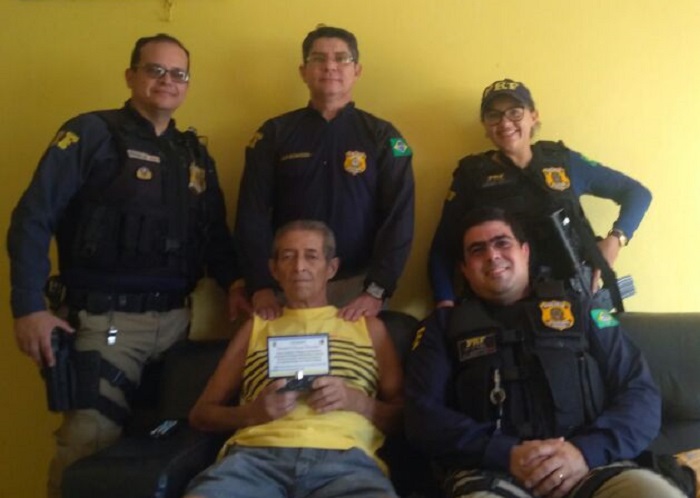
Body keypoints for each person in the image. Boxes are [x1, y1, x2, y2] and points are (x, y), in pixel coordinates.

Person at [7, 34, 240, 497]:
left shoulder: (192, 154)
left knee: (161, 450)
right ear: (131, 76)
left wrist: (237, 284)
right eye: (155, 70)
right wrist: (28, 306)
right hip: (104, 322)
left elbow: (215, 236)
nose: (167, 81)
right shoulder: (92, 134)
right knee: (88, 449)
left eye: (179, 74)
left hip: (177, 324)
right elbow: (32, 218)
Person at [405, 207, 685, 498]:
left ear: (525, 252)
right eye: (477, 250)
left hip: (592, 466)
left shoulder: (582, 309)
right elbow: (421, 416)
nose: (492, 255)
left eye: (502, 243)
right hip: (490, 472)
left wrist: (585, 451)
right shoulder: (442, 327)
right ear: (464, 269)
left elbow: (640, 394)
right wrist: (504, 453)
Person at [185, 220, 403, 498]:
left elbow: (405, 417)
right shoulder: (256, 327)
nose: (299, 267)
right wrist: (252, 412)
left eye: (311, 256)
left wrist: (356, 401)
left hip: (346, 463)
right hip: (255, 461)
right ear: (274, 269)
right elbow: (201, 414)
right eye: (288, 257)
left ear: (331, 268)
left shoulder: (368, 328)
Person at [235, 25, 415, 322]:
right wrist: (260, 285)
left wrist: (376, 290)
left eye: (341, 58)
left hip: (358, 290)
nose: (330, 66)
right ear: (303, 71)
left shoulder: (383, 136)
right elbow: (251, 214)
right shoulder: (274, 133)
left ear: (357, 70)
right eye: (318, 59)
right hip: (287, 288)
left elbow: (399, 218)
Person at [429, 78, 652, 310]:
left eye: (515, 112)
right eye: (494, 115)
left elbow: (637, 194)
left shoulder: (563, 161)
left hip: (575, 295)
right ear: (485, 125)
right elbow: (442, 248)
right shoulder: (472, 175)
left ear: (533, 116)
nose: (505, 122)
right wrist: (445, 306)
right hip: (504, 303)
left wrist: (616, 240)